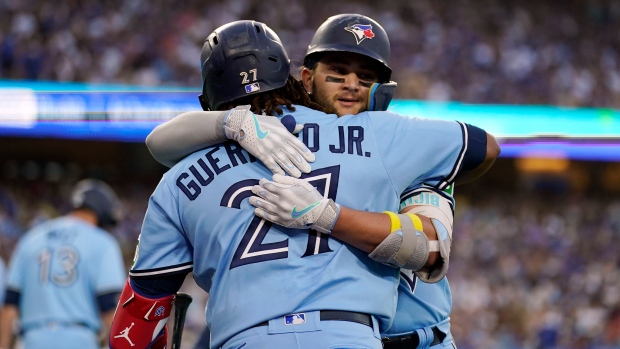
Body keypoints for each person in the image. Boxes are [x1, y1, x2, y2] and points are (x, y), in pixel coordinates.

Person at [137, 17, 498, 349]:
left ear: (383, 90)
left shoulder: (402, 148)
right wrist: (231, 123)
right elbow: (159, 142)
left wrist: (327, 215)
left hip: (416, 339)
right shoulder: (366, 138)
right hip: (345, 333)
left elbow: (428, 250)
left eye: (366, 78)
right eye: (338, 73)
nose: (352, 86)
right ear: (304, 79)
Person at [0, 179, 126, 349]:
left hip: (31, 340)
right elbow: (110, 307)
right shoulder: (103, 242)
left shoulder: (31, 238)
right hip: (79, 341)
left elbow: (9, 307)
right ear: (101, 215)